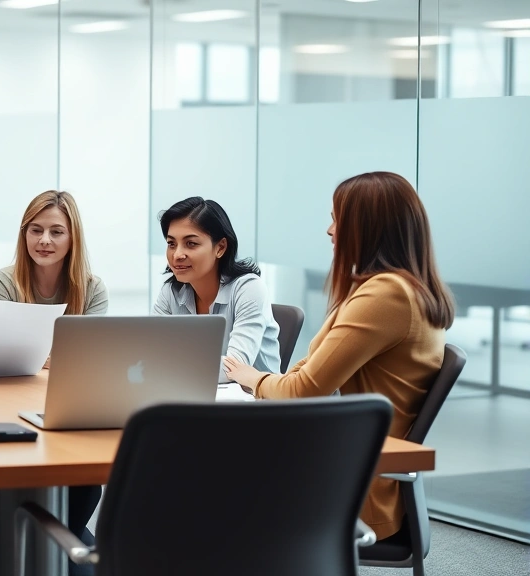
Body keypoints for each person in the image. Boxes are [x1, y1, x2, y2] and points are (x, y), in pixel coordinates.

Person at [224, 171, 454, 543]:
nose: (330, 231)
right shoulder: (388, 287)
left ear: (367, 227)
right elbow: (309, 368)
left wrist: (253, 379)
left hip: (352, 485)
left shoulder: (387, 296)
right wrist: (272, 382)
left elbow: (305, 389)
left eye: (337, 218)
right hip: (340, 462)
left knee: (202, 486)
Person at [0, 190, 106, 576]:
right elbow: (11, 360)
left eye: (57, 231)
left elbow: (87, 360)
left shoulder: (91, 288)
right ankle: (63, 543)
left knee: (89, 484)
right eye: (35, 230)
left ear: (73, 238)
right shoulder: (3, 283)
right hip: (10, 401)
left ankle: (61, 541)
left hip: (67, 402)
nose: (44, 241)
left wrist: (44, 355)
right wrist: (54, 355)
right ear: (23, 234)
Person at [154, 197, 281, 374]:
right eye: (171, 244)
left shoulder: (249, 289)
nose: (177, 255)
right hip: (196, 396)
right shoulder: (171, 293)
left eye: (191, 243)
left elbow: (234, 367)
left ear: (220, 247)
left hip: (256, 399)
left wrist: (168, 368)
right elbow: (153, 355)